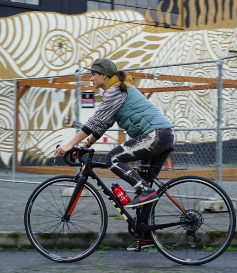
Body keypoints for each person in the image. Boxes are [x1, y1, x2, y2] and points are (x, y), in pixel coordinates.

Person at [54, 58, 177, 211]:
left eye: (94, 74)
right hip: (164, 136)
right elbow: (103, 124)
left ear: (104, 75)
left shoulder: (115, 90)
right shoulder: (117, 90)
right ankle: (145, 231)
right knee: (144, 193)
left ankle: (145, 191)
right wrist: (85, 145)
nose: (91, 78)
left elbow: (95, 121)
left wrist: (69, 144)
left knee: (112, 158)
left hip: (156, 135)